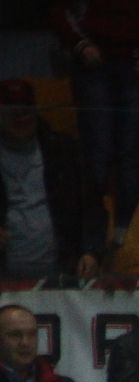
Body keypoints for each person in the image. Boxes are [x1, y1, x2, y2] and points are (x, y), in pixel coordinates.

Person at [51, 0, 139, 244]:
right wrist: (80, 45)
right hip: (93, 63)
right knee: (97, 152)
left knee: (131, 151)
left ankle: (126, 232)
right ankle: (91, 236)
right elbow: (60, 11)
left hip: (134, 63)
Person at [0, 80, 104, 280]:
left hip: (62, 270)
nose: (21, 118)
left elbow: (92, 206)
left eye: (26, 111)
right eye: (13, 112)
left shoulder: (64, 151)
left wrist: (92, 251)